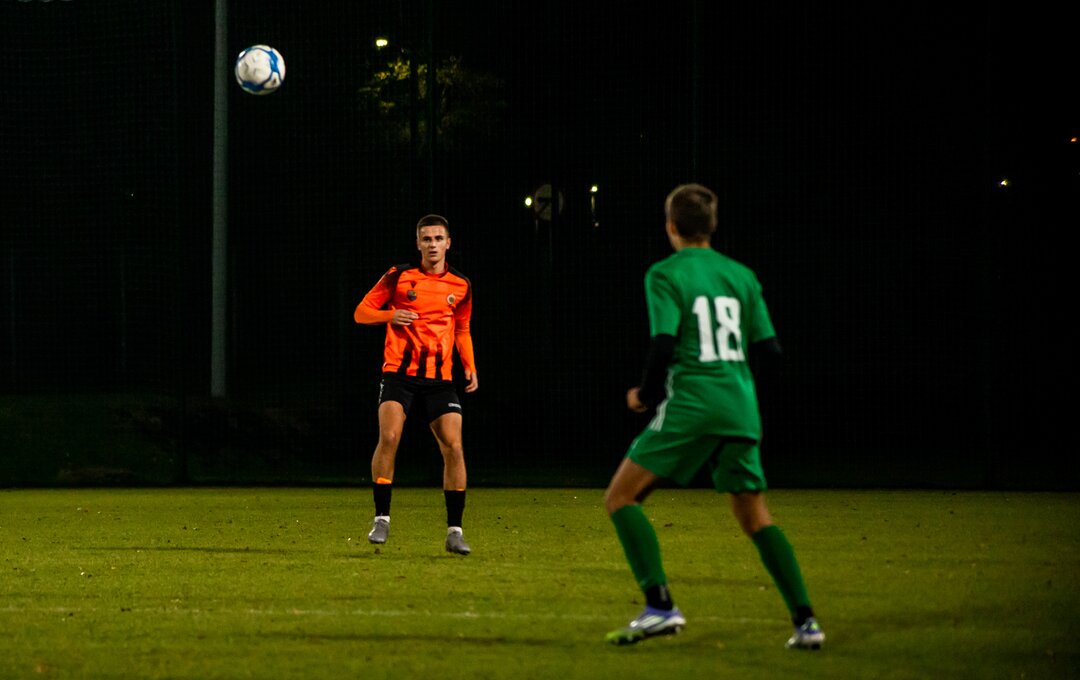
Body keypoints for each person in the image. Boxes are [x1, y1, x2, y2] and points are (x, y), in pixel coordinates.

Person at [603, 184, 824, 649]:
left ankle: (660, 606)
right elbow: (772, 352)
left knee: (620, 497)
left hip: (694, 402)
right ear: (713, 225)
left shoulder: (665, 273)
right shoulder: (741, 275)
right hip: (740, 406)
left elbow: (664, 343)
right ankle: (806, 623)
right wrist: (736, 390)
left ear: (671, 227)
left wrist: (645, 395)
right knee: (755, 516)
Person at [354, 214, 478, 555]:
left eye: (438, 238)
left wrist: (469, 365)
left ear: (448, 243)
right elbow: (361, 312)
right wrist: (389, 315)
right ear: (418, 243)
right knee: (390, 437)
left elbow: (462, 329)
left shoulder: (461, 285)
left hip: (440, 380)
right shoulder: (399, 276)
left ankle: (455, 531)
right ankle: (381, 519)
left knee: (454, 446)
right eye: (426, 239)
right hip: (399, 374)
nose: (432, 244)